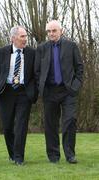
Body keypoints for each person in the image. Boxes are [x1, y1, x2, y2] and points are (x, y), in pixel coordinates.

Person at [35, 20, 84, 164]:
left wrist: (75, 87)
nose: (51, 34)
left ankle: (70, 155)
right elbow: (37, 72)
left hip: (68, 91)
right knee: (51, 125)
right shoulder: (41, 48)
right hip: (49, 92)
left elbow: (79, 69)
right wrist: (40, 87)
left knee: (69, 121)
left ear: (61, 31)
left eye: (54, 31)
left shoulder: (71, 46)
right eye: (49, 31)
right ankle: (53, 156)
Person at [0, 26, 37, 165]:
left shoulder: (32, 53)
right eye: (22, 36)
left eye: (25, 36)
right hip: (6, 93)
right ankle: (12, 154)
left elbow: (36, 74)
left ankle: (19, 157)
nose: (25, 39)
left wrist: (33, 91)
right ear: (13, 38)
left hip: (24, 93)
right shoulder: (1, 52)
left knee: (21, 126)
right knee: (7, 127)